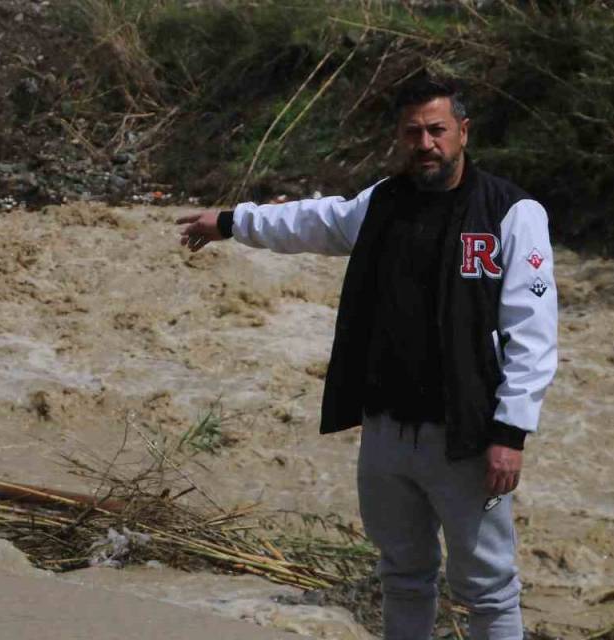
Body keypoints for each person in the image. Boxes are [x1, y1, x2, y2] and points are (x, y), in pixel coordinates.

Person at [176, 76, 557, 640]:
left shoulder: (511, 212)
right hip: (385, 432)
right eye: (412, 132)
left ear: (463, 132)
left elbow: (532, 333)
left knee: (488, 590)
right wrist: (232, 222)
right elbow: (313, 220)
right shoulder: (382, 201)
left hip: (468, 437)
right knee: (402, 576)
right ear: (399, 138)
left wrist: (512, 433)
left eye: (437, 130)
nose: (425, 143)